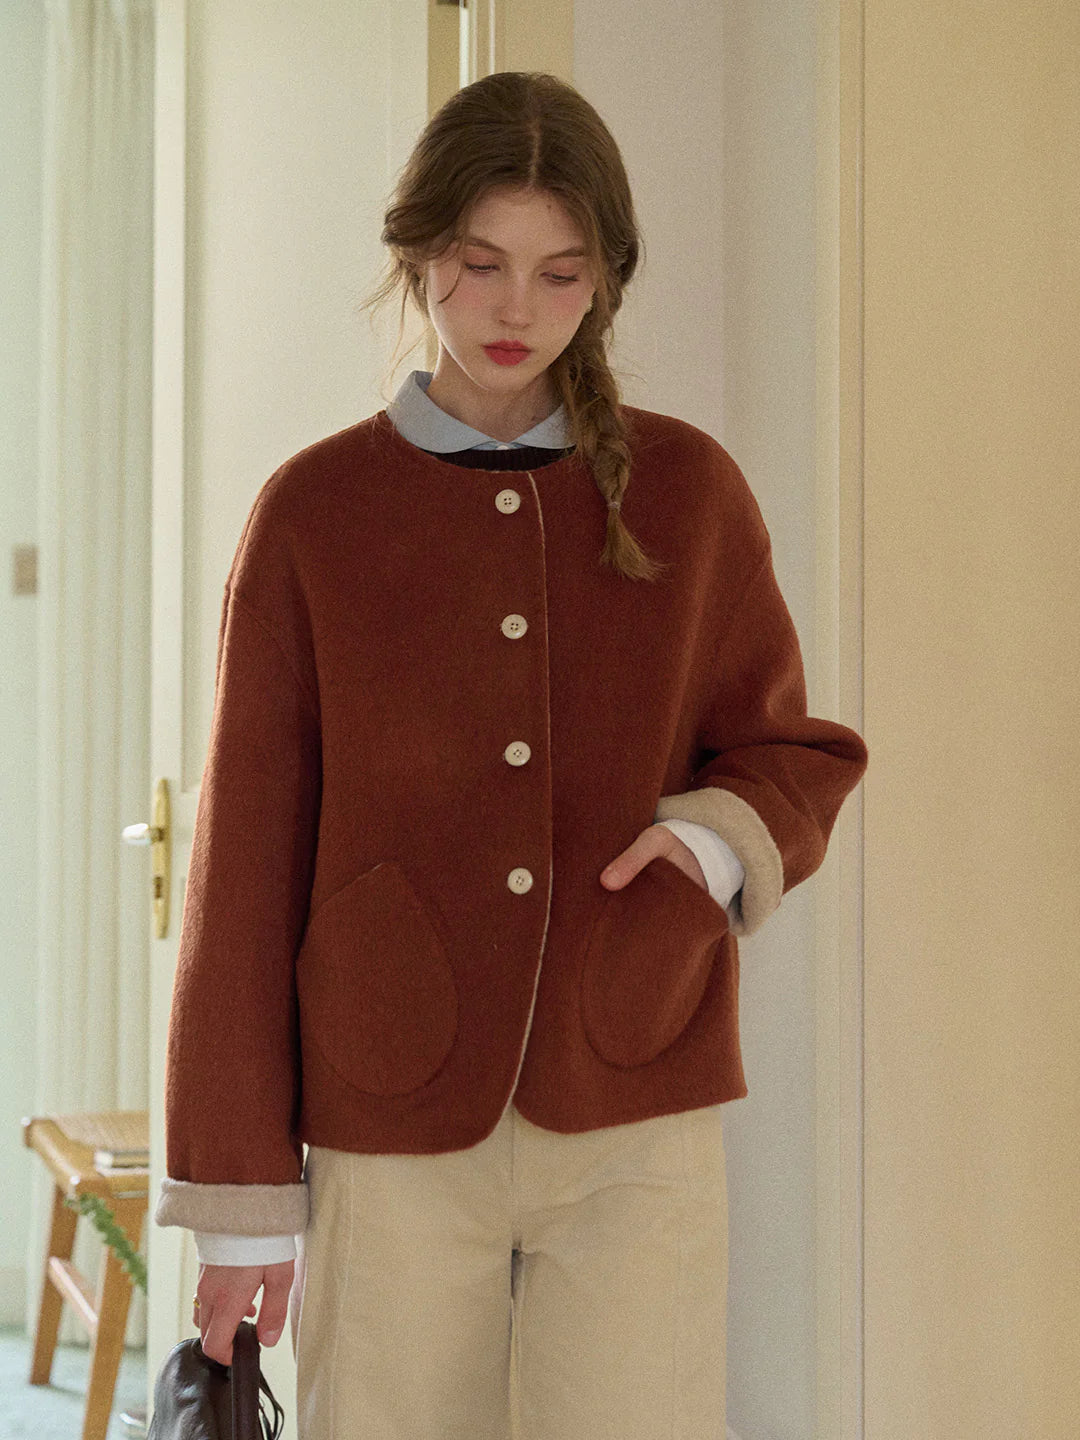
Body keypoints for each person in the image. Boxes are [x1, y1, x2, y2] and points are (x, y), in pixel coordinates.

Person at [153, 70, 868, 1438]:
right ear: (418, 250)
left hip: (635, 1104)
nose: (516, 309)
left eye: (561, 272)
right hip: (386, 1115)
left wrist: (709, 847)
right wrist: (239, 1204)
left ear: (606, 280)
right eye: (480, 264)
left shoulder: (689, 493)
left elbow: (792, 750)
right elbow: (242, 869)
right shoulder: (314, 515)